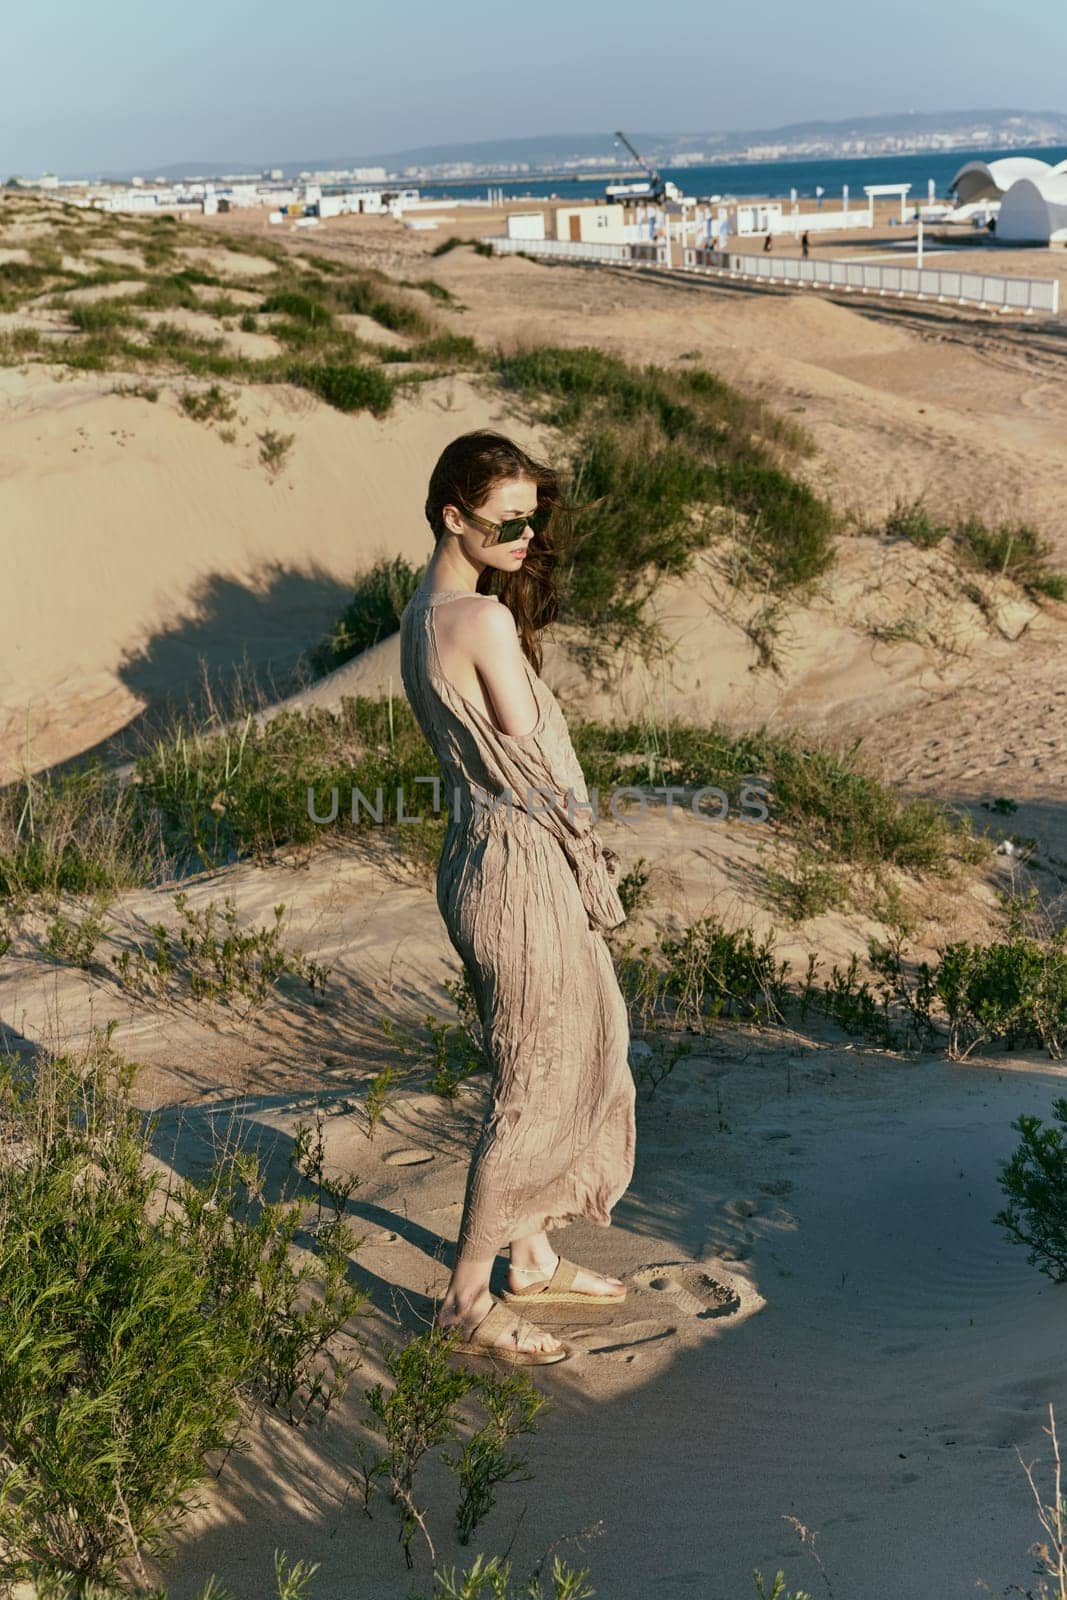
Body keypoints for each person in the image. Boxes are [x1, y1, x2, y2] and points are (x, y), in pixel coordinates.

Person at [398, 430, 636, 1366]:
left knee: (577, 1047)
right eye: (509, 521)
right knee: (534, 1086)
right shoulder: (481, 623)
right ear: (454, 516)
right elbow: (539, 769)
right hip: (520, 872)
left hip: (478, 857)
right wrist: (591, 861)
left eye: (533, 520)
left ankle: (529, 1258)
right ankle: (464, 1299)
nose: (528, 537)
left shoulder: (424, 611)